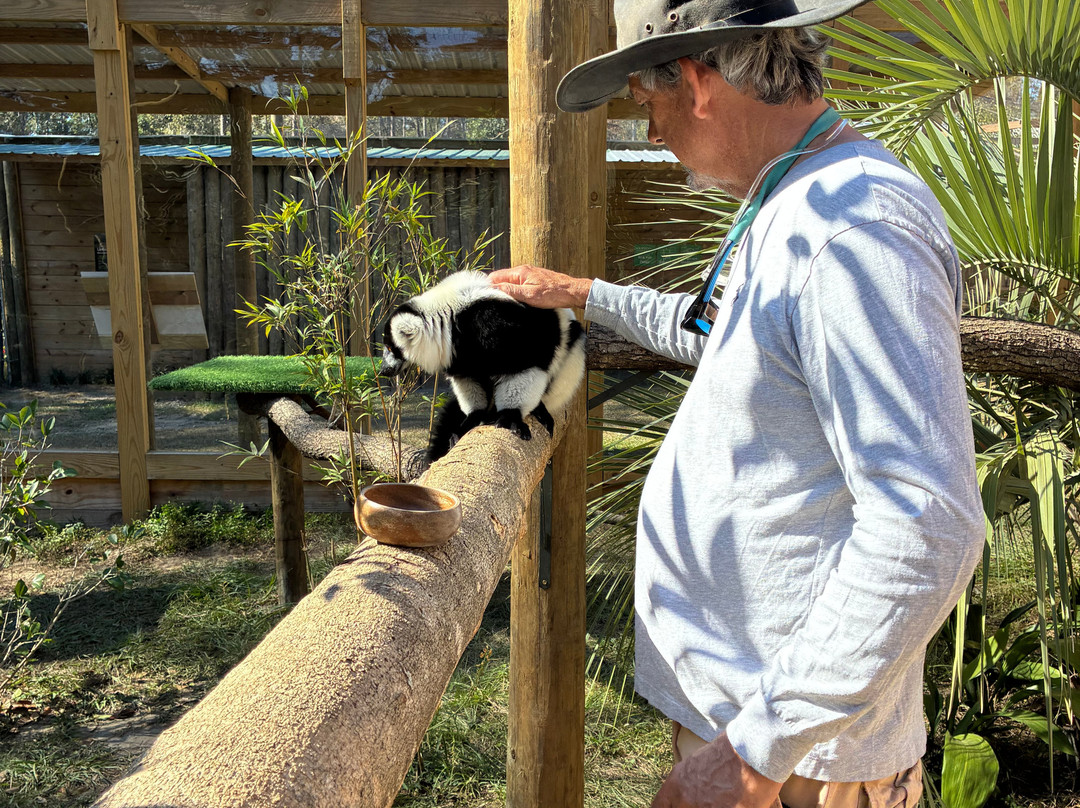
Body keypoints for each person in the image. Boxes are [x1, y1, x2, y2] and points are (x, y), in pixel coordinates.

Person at [489, 1, 986, 806]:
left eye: (648, 108)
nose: (652, 136)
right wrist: (582, 293)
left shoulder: (852, 226)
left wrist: (755, 752)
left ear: (696, 80)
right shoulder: (795, 196)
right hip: (768, 740)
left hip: (802, 766)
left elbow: (928, 520)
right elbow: (714, 332)